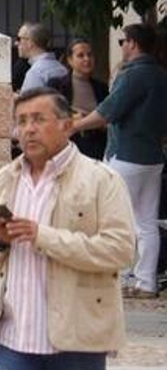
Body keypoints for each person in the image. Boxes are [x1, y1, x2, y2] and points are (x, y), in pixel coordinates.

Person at [0, 86, 134, 370]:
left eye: (38, 119)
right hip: (13, 340)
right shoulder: (5, 179)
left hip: (77, 339)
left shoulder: (102, 180)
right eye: (21, 121)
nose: (29, 129)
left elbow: (120, 250)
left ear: (67, 126)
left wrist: (42, 236)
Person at [70, 23, 167, 299]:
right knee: (146, 222)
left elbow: (107, 111)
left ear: (133, 43)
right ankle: (146, 282)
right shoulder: (161, 75)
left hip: (125, 155)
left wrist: (74, 126)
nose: (122, 46)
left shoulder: (133, 75)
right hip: (152, 156)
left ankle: (121, 277)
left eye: (123, 41)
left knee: (117, 218)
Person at [65, 39, 109, 161]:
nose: (87, 59)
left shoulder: (101, 87)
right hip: (69, 147)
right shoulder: (57, 85)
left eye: (89, 55)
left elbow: (108, 117)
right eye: (80, 55)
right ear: (70, 60)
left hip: (97, 148)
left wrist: (90, 119)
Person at [16, 22, 69, 96]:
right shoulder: (62, 68)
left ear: (30, 42)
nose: (16, 43)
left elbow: (28, 102)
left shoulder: (35, 73)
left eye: (19, 39)